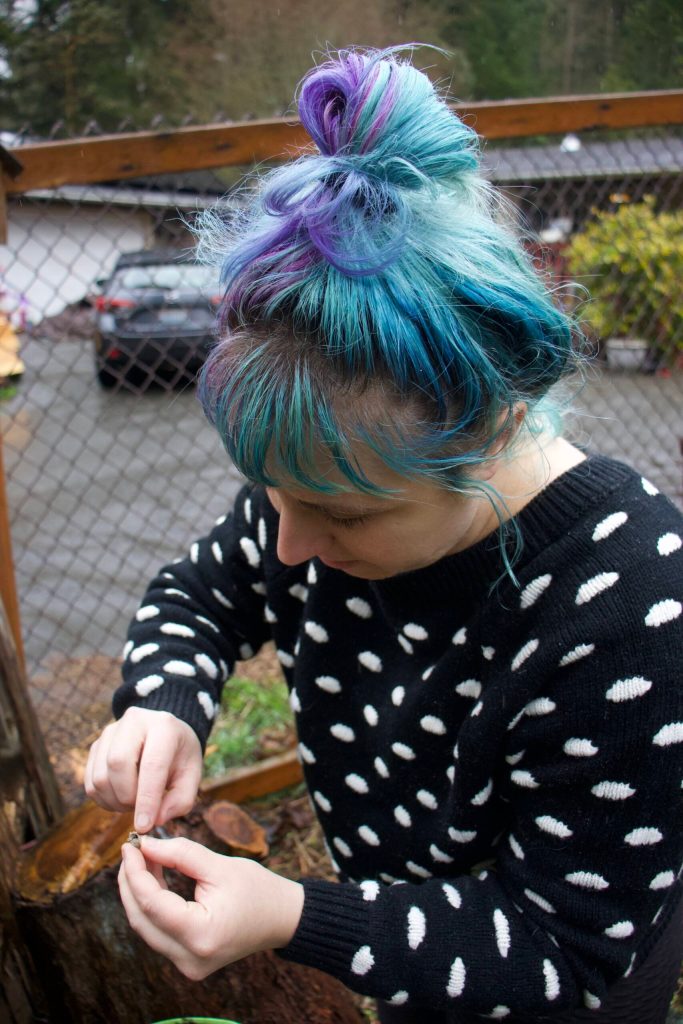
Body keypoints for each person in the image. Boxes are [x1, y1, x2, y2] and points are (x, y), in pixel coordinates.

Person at [85, 47, 683, 1023]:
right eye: (269, 495)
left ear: (490, 433)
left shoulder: (631, 601)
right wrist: (164, 703)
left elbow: (560, 950)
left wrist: (295, 916)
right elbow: (197, 596)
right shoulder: (321, 487)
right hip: (404, 953)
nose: (283, 546)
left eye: (339, 517)